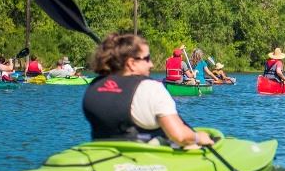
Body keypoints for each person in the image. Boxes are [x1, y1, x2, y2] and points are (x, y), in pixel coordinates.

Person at [81, 32, 213, 147]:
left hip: (104, 151)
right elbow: (180, 136)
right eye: (147, 59)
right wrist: (198, 137)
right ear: (132, 63)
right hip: (140, 156)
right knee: (191, 145)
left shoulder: (94, 86)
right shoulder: (151, 88)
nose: (152, 64)